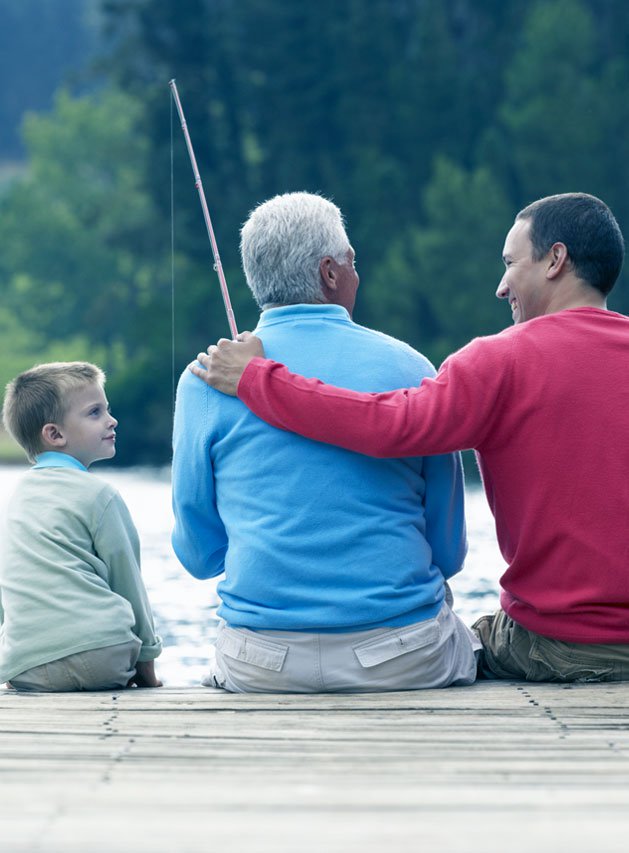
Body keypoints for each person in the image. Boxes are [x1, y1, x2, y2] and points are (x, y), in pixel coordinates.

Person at [194, 192, 629, 684]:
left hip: (559, 645)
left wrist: (259, 380)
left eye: (510, 264)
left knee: (473, 640)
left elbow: (391, 426)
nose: (501, 287)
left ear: (555, 260)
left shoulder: (500, 362)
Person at [172, 191, 479, 694]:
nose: (358, 274)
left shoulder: (203, 381)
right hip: (402, 657)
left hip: (262, 664)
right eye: (352, 262)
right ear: (330, 273)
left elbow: (200, 556)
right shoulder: (412, 368)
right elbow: (449, 552)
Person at [1, 361, 162, 691]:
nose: (111, 420)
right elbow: (127, 580)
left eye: (108, 409)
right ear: (55, 435)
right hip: (103, 656)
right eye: (95, 413)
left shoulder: (16, 500)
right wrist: (148, 662)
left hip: (26, 665)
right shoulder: (100, 495)